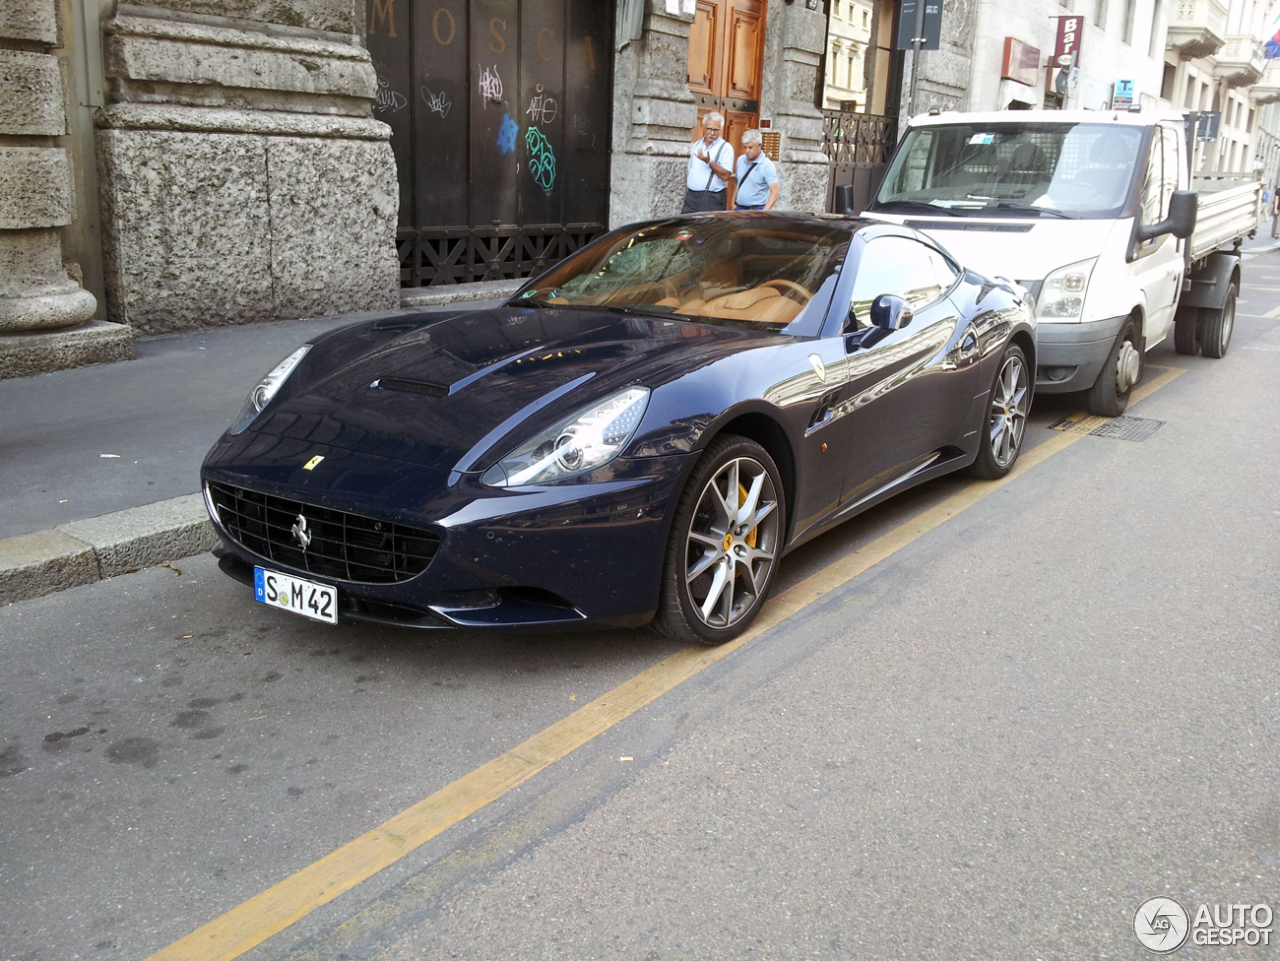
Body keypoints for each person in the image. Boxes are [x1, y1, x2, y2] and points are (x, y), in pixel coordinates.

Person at [681, 112, 734, 213]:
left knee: (707, 227)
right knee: (686, 226)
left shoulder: (725, 148)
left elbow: (726, 175)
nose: (712, 133)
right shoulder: (696, 145)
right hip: (692, 197)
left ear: (720, 130)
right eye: (709, 129)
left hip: (711, 198)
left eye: (716, 130)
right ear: (704, 127)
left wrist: (709, 162)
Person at [734, 129, 779, 210]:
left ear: (759, 145)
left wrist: (764, 212)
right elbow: (737, 182)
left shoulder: (767, 165)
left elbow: (775, 192)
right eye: (745, 147)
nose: (747, 151)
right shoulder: (740, 160)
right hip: (739, 208)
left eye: (750, 147)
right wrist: (732, 203)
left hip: (756, 209)